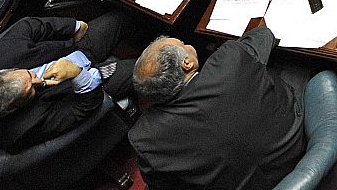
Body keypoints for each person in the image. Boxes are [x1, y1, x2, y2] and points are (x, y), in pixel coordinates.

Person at [130, 28, 307, 190]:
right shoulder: (229, 59)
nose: (186, 45)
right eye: (182, 44)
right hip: (295, 146)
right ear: (187, 64)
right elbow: (264, 35)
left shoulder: (145, 139)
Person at [0, 13, 133, 151]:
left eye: (29, 74)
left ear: (5, 72)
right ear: (15, 107)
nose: (37, 80)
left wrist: (74, 27)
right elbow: (83, 108)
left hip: (75, 49)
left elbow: (29, 25)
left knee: (122, 16)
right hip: (89, 86)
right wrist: (77, 74)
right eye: (31, 89)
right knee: (143, 69)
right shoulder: (26, 126)